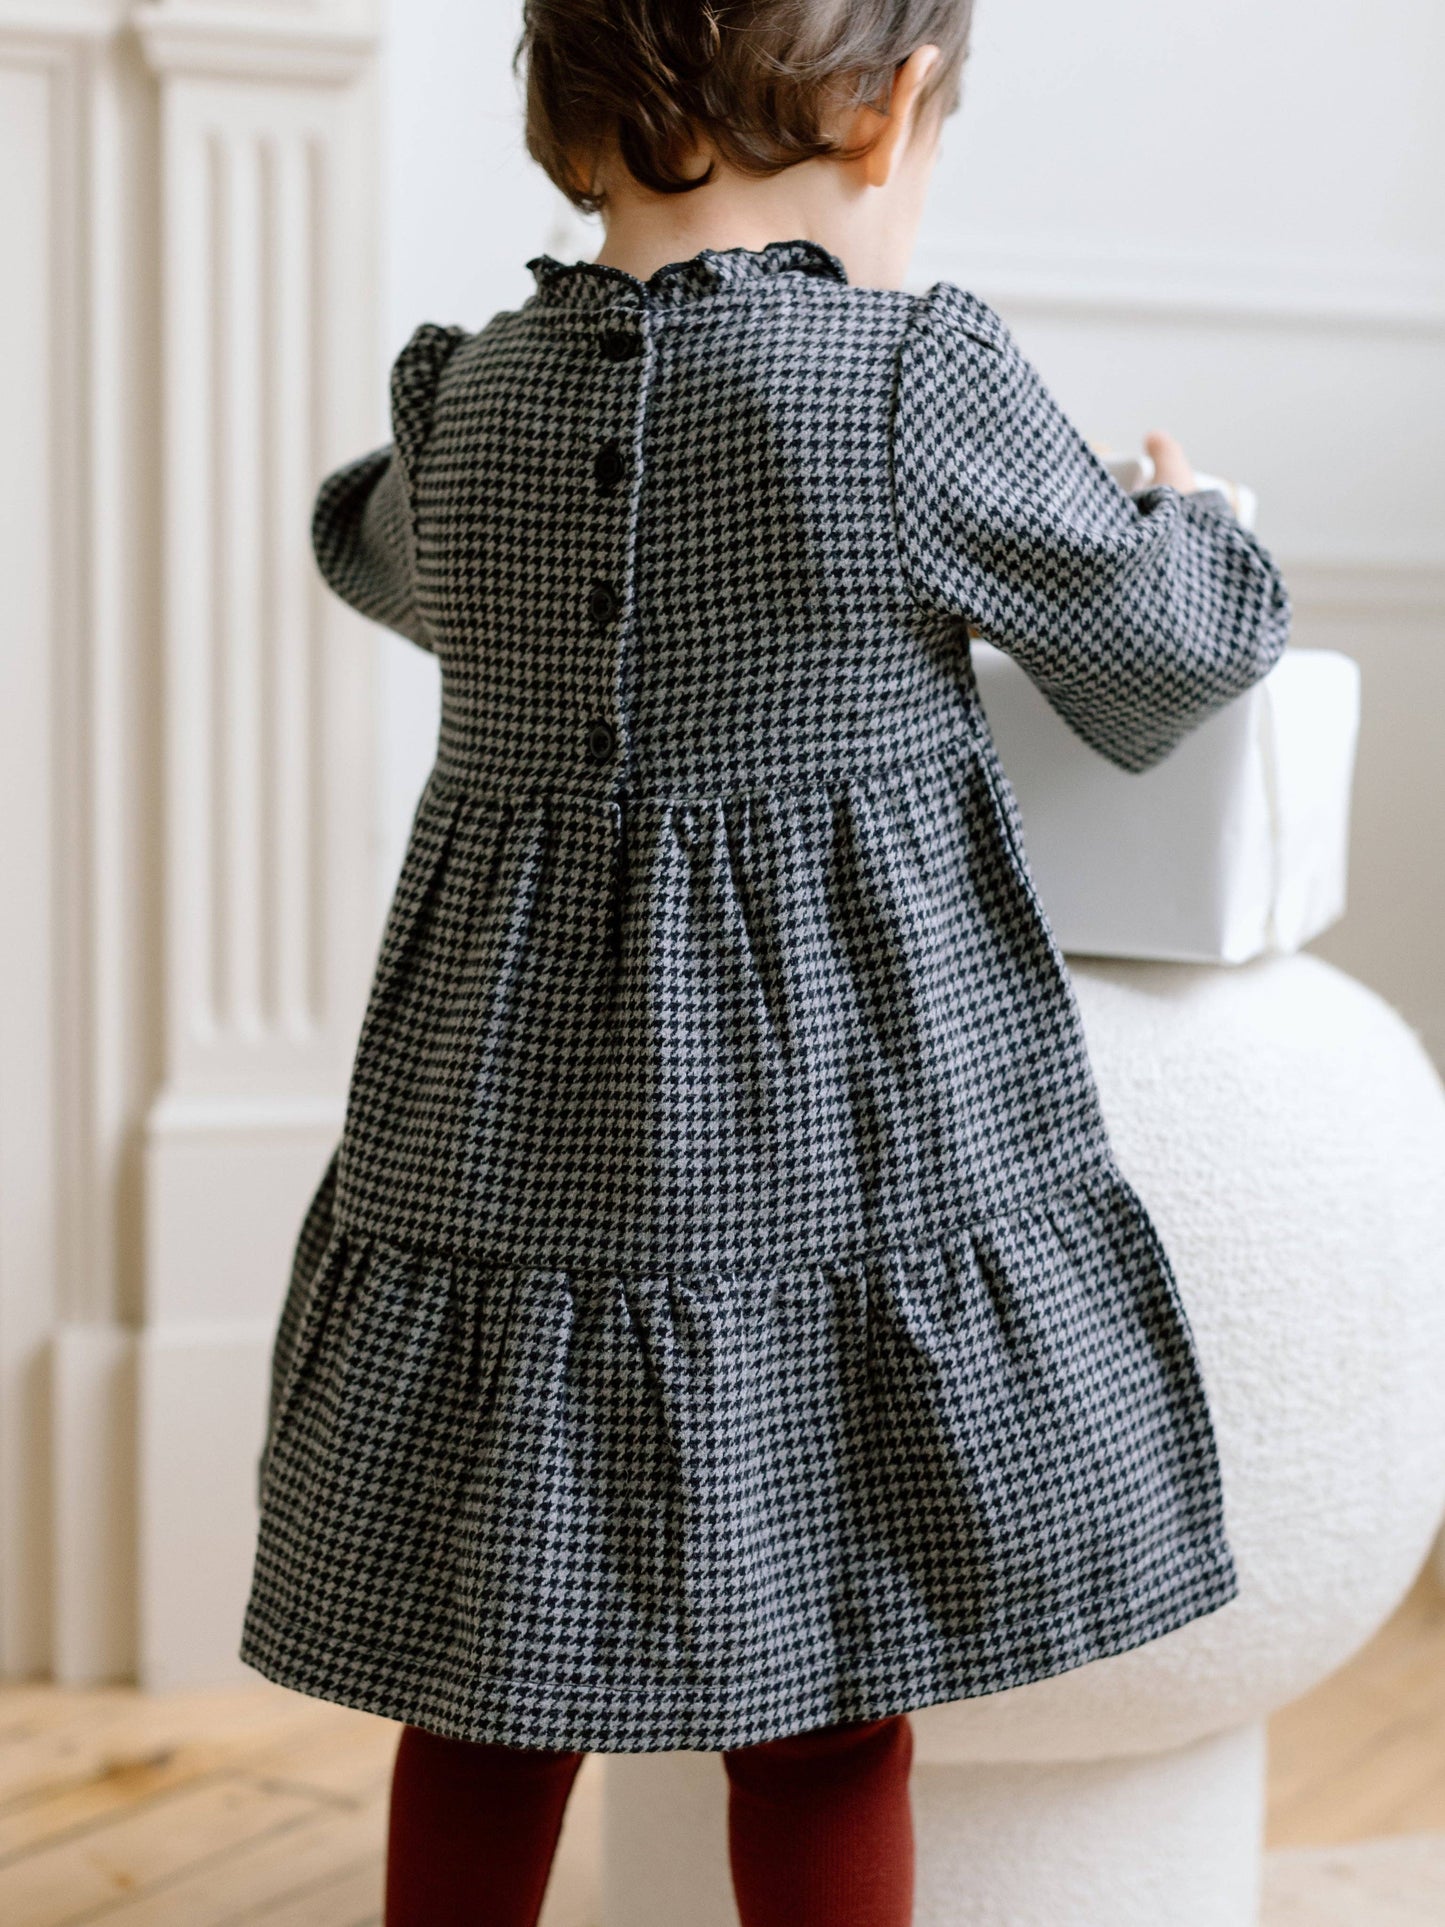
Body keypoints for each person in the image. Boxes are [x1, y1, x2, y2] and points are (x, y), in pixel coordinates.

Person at [238, 3, 1292, 1922]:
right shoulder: (907, 384)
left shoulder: (470, 403)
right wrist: (1189, 525)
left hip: (496, 1141)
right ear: (891, 117)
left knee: (480, 1686)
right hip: (821, 1133)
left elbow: (369, 549)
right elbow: (1157, 645)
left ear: (559, 125)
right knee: (823, 1707)